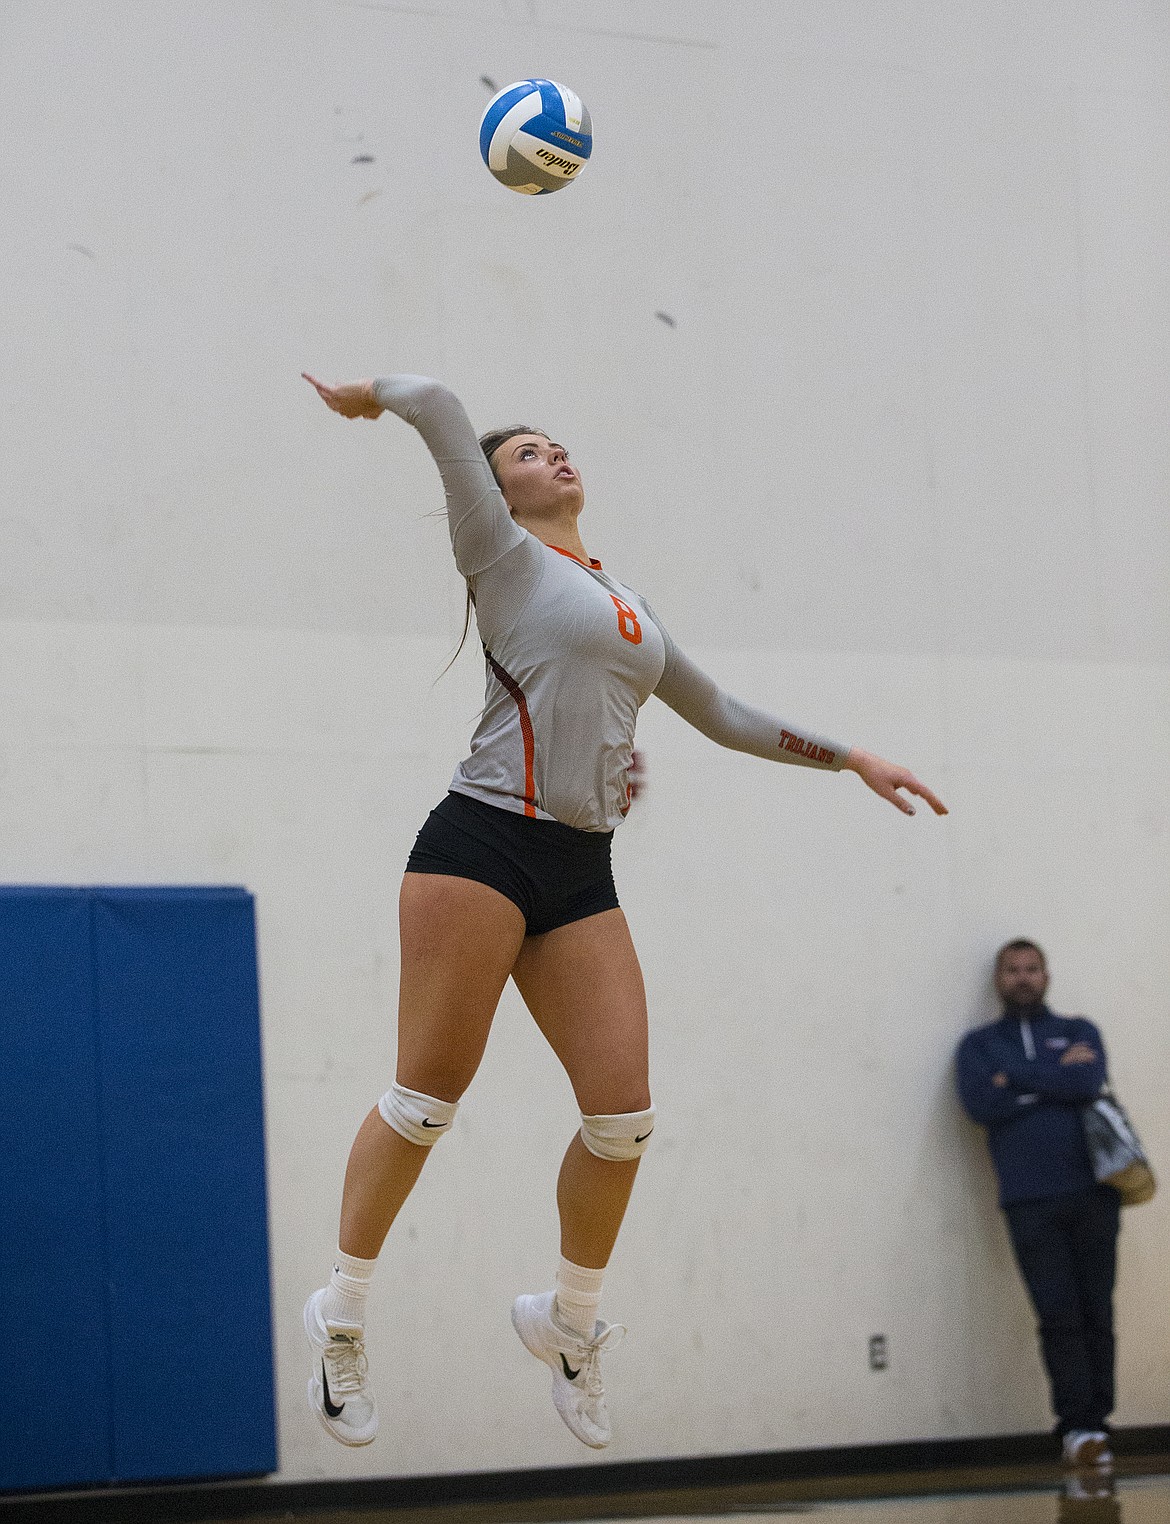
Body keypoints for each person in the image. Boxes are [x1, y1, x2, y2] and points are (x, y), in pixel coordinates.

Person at [300, 369, 948, 1450]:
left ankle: (569, 1320)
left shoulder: (628, 605)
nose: (550, 456)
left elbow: (726, 713)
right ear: (496, 495)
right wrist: (373, 396)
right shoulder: (500, 556)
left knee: (623, 1116)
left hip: (579, 868)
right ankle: (344, 1310)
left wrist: (852, 758)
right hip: (477, 845)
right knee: (427, 1099)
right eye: (525, 455)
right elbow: (438, 403)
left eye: (558, 445)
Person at [955, 939, 1121, 1471]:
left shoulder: (1079, 1031)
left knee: (1096, 1311)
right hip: (1028, 1201)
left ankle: (1098, 1426)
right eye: (1012, 970)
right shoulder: (978, 1046)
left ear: (1046, 976)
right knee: (1058, 1315)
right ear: (999, 980)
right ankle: (1075, 1429)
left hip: (1095, 1194)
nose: (1022, 978)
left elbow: (1089, 1079)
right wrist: (1054, 1083)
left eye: (1031, 969)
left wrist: (1018, 1081)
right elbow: (981, 1104)